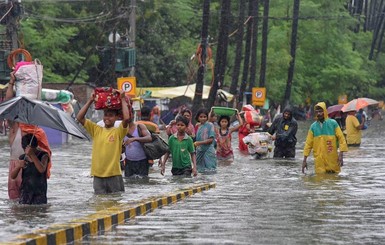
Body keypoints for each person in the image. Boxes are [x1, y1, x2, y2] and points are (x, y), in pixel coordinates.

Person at [5, 72, 52, 201]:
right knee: (16, 204)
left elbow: (44, 157)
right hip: (16, 166)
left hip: (33, 173)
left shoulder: (38, 132)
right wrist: (11, 83)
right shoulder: (16, 126)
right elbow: (8, 105)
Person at [76, 89, 129, 194]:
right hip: (98, 176)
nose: (107, 118)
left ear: (116, 117)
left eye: (110, 115)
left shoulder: (118, 132)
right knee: (99, 204)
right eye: (105, 115)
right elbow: (79, 117)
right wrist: (90, 100)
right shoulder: (96, 130)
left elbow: (126, 119)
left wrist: (122, 99)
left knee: (116, 203)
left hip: (114, 175)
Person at [302, 102, 348, 174]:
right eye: (317, 112)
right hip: (319, 160)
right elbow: (308, 144)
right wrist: (304, 160)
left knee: (334, 178)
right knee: (320, 179)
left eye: (321, 111)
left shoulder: (333, 123)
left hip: (332, 158)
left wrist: (341, 155)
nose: (319, 114)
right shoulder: (313, 127)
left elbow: (341, 138)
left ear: (325, 112)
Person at [11, 133, 49, 204]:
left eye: (31, 150)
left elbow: (41, 169)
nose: (27, 152)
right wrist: (18, 166)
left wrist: (32, 154)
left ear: (36, 146)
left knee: (39, 211)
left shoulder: (44, 155)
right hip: (25, 191)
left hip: (39, 192)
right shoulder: (23, 158)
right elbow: (12, 176)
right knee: (24, 212)